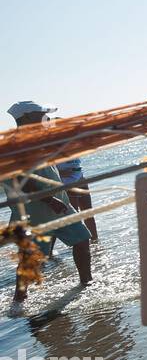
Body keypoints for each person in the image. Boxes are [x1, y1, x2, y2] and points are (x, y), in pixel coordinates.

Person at [5, 101, 93, 304]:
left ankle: (86, 284)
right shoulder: (15, 144)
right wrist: (50, 200)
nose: (46, 118)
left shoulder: (35, 140)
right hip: (35, 209)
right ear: (26, 118)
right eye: (41, 114)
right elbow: (20, 180)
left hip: (57, 205)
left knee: (81, 240)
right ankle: (18, 302)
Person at [55, 152, 99, 243]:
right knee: (74, 216)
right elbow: (47, 167)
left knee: (89, 213)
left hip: (80, 178)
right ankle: (79, 243)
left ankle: (95, 242)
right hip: (67, 183)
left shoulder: (71, 144)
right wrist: (60, 173)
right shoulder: (53, 148)